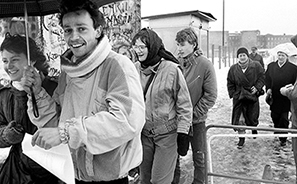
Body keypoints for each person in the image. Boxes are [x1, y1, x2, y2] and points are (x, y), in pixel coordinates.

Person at [20, 0, 145, 183]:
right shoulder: (68, 72)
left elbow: (127, 120)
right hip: (73, 174)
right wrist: (37, 92)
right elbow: (57, 120)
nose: (74, 37)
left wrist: (66, 133)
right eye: (68, 30)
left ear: (98, 30)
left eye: (82, 28)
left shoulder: (117, 66)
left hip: (110, 179)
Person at [131, 28, 192, 184]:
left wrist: (183, 133)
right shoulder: (134, 69)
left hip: (166, 136)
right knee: (144, 179)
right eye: (135, 46)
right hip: (143, 135)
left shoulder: (171, 70)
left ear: (152, 47)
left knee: (160, 181)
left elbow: (184, 105)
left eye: (142, 47)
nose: (138, 51)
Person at [0, 32, 59, 183]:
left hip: (52, 171)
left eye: (15, 60)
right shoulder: (4, 96)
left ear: (32, 60)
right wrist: (6, 135)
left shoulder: (54, 89)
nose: (9, 66)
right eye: (5, 61)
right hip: (17, 173)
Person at [173, 27, 217, 184]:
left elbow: (210, 95)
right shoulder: (175, 64)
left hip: (196, 122)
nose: (179, 48)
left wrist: (191, 114)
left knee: (199, 157)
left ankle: (199, 182)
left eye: (182, 44)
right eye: (177, 44)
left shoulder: (205, 65)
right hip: (176, 122)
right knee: (173, 157)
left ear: (193, 44)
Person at [227, 47, 265, 149]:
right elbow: (230, 82)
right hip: (239, 97)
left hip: (251, 96)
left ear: (247, 56)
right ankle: (241, 138)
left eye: (244, 55)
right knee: (240, 119)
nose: (242, 57)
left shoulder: (256, 66)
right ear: (238, 57)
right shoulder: (233, 69)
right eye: (240, 55)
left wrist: (257, 87)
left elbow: (262, 77)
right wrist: (233, 93)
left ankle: (253, 127)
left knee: (252, 117)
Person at [265, 47, 297, 146]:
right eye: (279, 55)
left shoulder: (293, 68)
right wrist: (268, 88)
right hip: (274, 95)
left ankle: (283, 137)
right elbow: (267, 79)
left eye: (283, 55)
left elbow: (295, 82)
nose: (280, 57)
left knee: (284, 118)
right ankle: (277, 130)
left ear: (286, 57)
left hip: (286, 97)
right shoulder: (271, 66)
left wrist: (290, 88)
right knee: (275, 116)